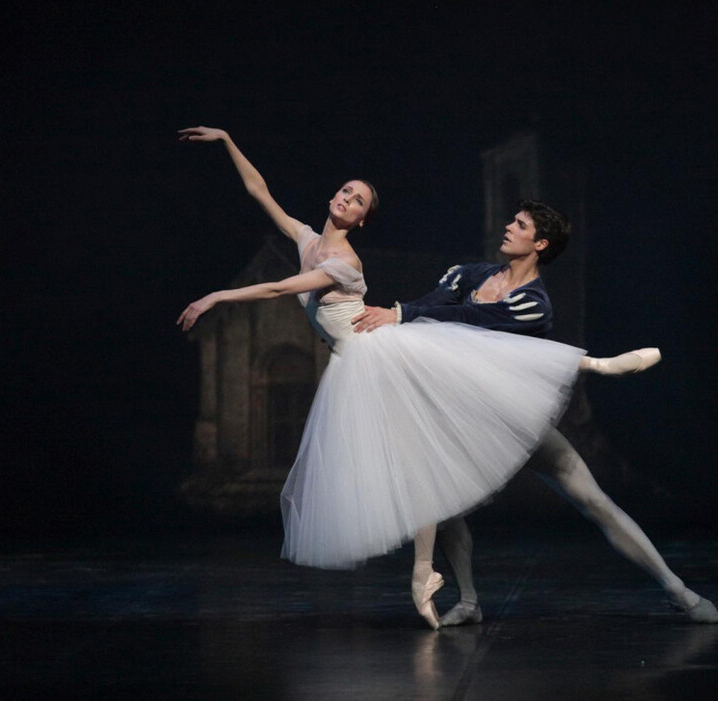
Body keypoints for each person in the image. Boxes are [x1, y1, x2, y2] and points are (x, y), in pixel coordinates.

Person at [176, 126, 656, 630]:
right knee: (424, 469)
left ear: (362, 220)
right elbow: (260, 191)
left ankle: (595, 364)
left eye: (358, 200)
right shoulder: (306, 240)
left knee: (438, 415)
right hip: (360, 361)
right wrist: (227, 140)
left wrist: (216, 297)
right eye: (345, 191)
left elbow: (279, 289)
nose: (346, 199)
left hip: (380, 354)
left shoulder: (344, 262)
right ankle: (441, 582)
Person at [352, 205, 718, 626]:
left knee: (593, 501)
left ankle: (679, 591)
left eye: (521, 225)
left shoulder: (534, 304)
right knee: (444, 505)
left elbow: (471, 318)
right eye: (513, 220)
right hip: (467, 417)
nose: (509, 227)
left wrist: (401, 314)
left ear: (540, 244)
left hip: (512, 419)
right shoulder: (469, 275)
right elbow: (433, 305)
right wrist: (392, 318)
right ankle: (469, 601)